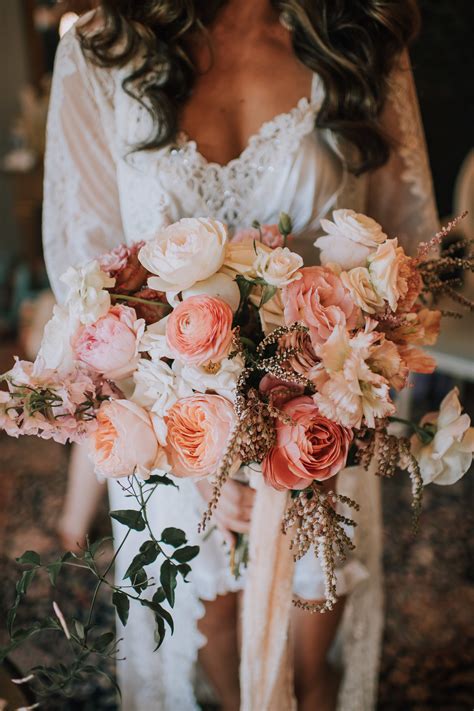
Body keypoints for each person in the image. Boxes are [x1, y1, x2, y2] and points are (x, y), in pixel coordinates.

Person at [42, 1, 438, 709]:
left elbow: (406, 260)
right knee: (214, 642)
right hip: (168, 432)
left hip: (323, 433)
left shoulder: (359, 33)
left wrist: (317, 425)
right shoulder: (103, 48)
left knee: (311, 661)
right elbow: (83, 279)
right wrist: (200, 457)